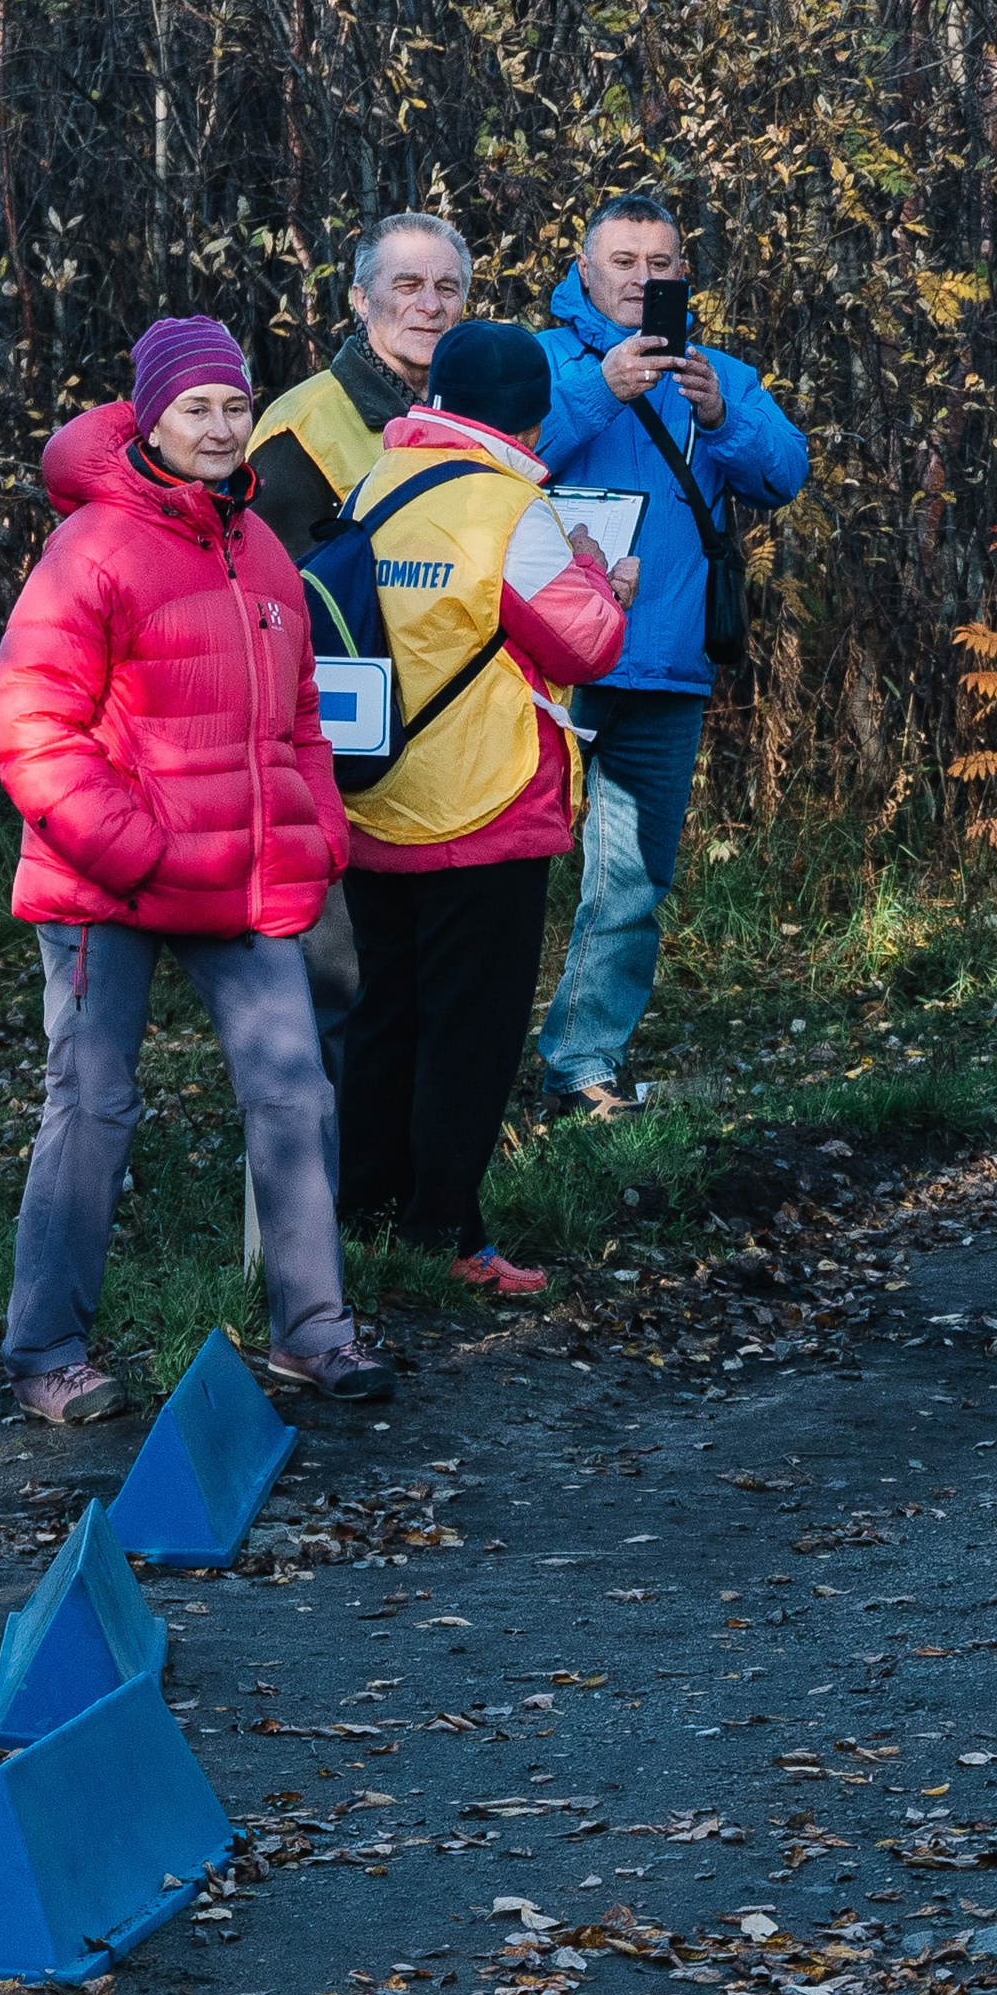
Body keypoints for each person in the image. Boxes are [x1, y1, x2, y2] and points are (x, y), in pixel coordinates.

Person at [0, 316, 395, 1423]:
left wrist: (318, 832)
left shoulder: (259, 546)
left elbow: (302, 715)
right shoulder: (93, 546)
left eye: (233, 405)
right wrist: (139, 848)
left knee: (295, 1091)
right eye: (195, 408)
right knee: (93, 1105)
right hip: (109, 882)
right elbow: (29, 723)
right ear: (151, 420)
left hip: (241, 879)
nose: (219, 427)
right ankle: (45, 1352)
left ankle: (312, 1332)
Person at [336, 318, 637, 1293]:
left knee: (386, 1018)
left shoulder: (376, 482)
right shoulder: (512, 509)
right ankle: (448, 1236)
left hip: (375, 798)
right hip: (484, 805)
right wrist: (602, 576)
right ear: (534, 418)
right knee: (469, 1032)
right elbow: (587, 644)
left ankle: (364, 1216)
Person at [530, 193, 809, 1118]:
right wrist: (597, 391)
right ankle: (472, 1059)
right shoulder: (542, 360)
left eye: (661, 263)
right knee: (502, 877)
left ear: (683, 272)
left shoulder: (714, 371)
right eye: (624, 261)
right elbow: (494, 457)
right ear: (584, 268)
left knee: (633, 880)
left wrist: (724, 415)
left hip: (662, 665)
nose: (642, 279)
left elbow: (784, 474)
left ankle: (582, 1065)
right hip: (541, 667)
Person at [245, 213, 474, 1084]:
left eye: (446, 287)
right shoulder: (302, 428)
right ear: (359, 299)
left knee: (421, 975)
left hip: (443, 741)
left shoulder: (468, 413)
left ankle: (397, 1146)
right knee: (342, 978)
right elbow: (271, 607)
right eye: (406, 286)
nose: (429, 306)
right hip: (342, 749)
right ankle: (315, 1154)